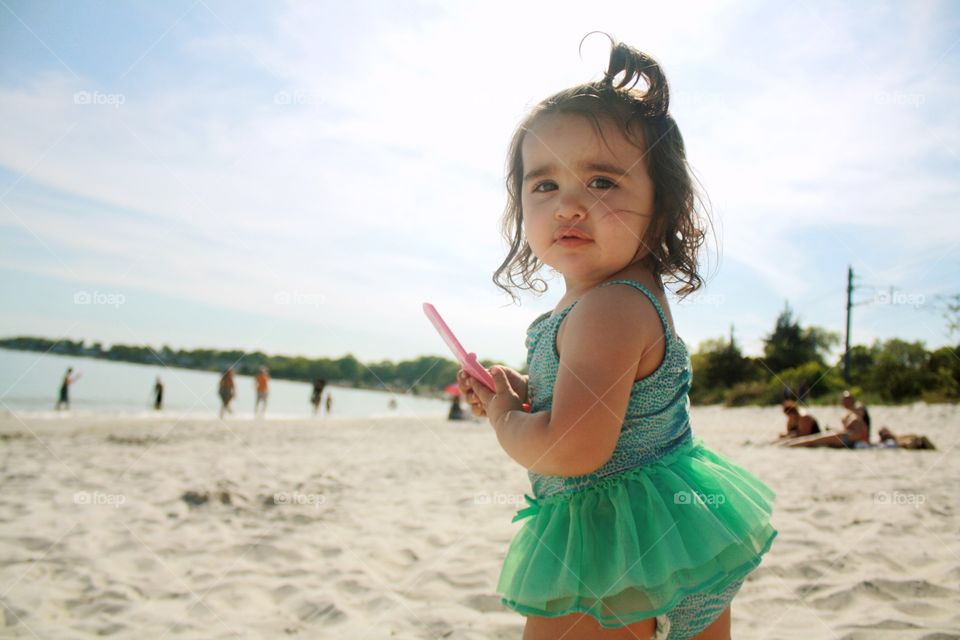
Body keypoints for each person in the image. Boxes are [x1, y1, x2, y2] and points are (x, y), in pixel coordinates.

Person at [457, 39, 776, 640]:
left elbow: (573, 450)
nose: (569, 205)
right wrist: (523, 391)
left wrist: (503, 417)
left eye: (602, 182)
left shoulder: (607, 308)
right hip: (670, 531)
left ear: (662, 209)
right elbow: (601, 399)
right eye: (543, 185)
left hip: (611, 539)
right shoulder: (611, 296)